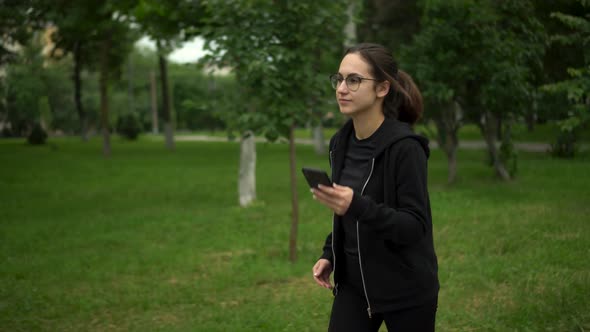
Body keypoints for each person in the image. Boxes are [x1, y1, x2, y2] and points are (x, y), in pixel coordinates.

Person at [311, 43, 439, 332]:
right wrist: (329, 254)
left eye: (354, 80)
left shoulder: (405, 148)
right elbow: (346, 214)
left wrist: (355, 204)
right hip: (354, 289)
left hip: (407, 290)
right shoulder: (340, 143)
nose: (341, 88)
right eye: (339, 79)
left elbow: (413, 226)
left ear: (382, 88)